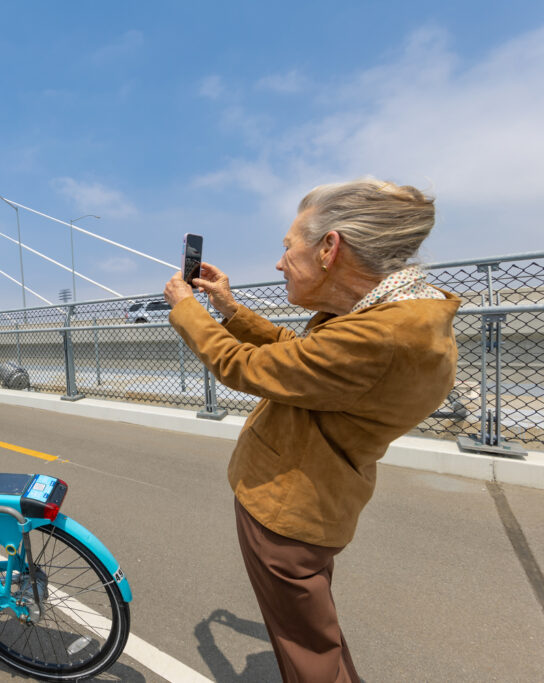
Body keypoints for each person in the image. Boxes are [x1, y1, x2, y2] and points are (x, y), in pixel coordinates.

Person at [163, 178, 459, 682]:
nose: (280, 263)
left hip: (288, 512)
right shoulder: (401, 316)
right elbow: (300, 359)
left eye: (287, 247)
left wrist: (185, 308)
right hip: (320, 503)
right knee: (315, 634)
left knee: (306, 653)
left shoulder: (379, 334)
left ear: (330, 248)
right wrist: (229, 308)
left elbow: (246, 367)